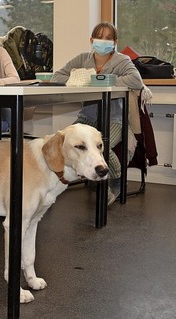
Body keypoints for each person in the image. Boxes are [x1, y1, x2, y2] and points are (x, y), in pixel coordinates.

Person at [50, 22, 144, 206]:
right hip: (87, 118)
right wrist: (83, 80)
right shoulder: (83, 59)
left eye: (109, 38)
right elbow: (57, 77)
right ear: (92, 40)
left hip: (114, 119)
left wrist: (105, 80)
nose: (104, 41)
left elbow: (136, 81)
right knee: (59, 142)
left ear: (115, 42)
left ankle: (116, 181)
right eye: (100, 37)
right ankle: (55, 183)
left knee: (102, 146)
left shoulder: (121, 60)